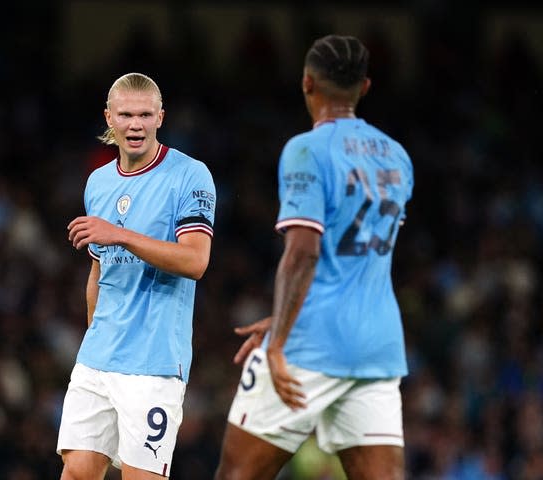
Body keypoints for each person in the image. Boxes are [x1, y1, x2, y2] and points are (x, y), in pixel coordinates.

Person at [215, 35, 414, 480]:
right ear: (364, 87)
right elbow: (358, 262)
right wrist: (284, 316)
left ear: (306, 83)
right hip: (376, 346)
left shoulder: (306, 150)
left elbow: (304, 253)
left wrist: (280, 340)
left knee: (237, 474)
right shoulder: (398, 158)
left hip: (309, 345)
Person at [57, 72, 216, 480]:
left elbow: (196, 261)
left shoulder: (189, 175)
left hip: (154, 362)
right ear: (109, 117)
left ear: (161, 117)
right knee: (76, 471)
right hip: (99, 356)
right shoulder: (98, 183)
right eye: (126, 114)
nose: (135, 125)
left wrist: (121, 235)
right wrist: (95, 338)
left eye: (145, 114)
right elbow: (98, 270)